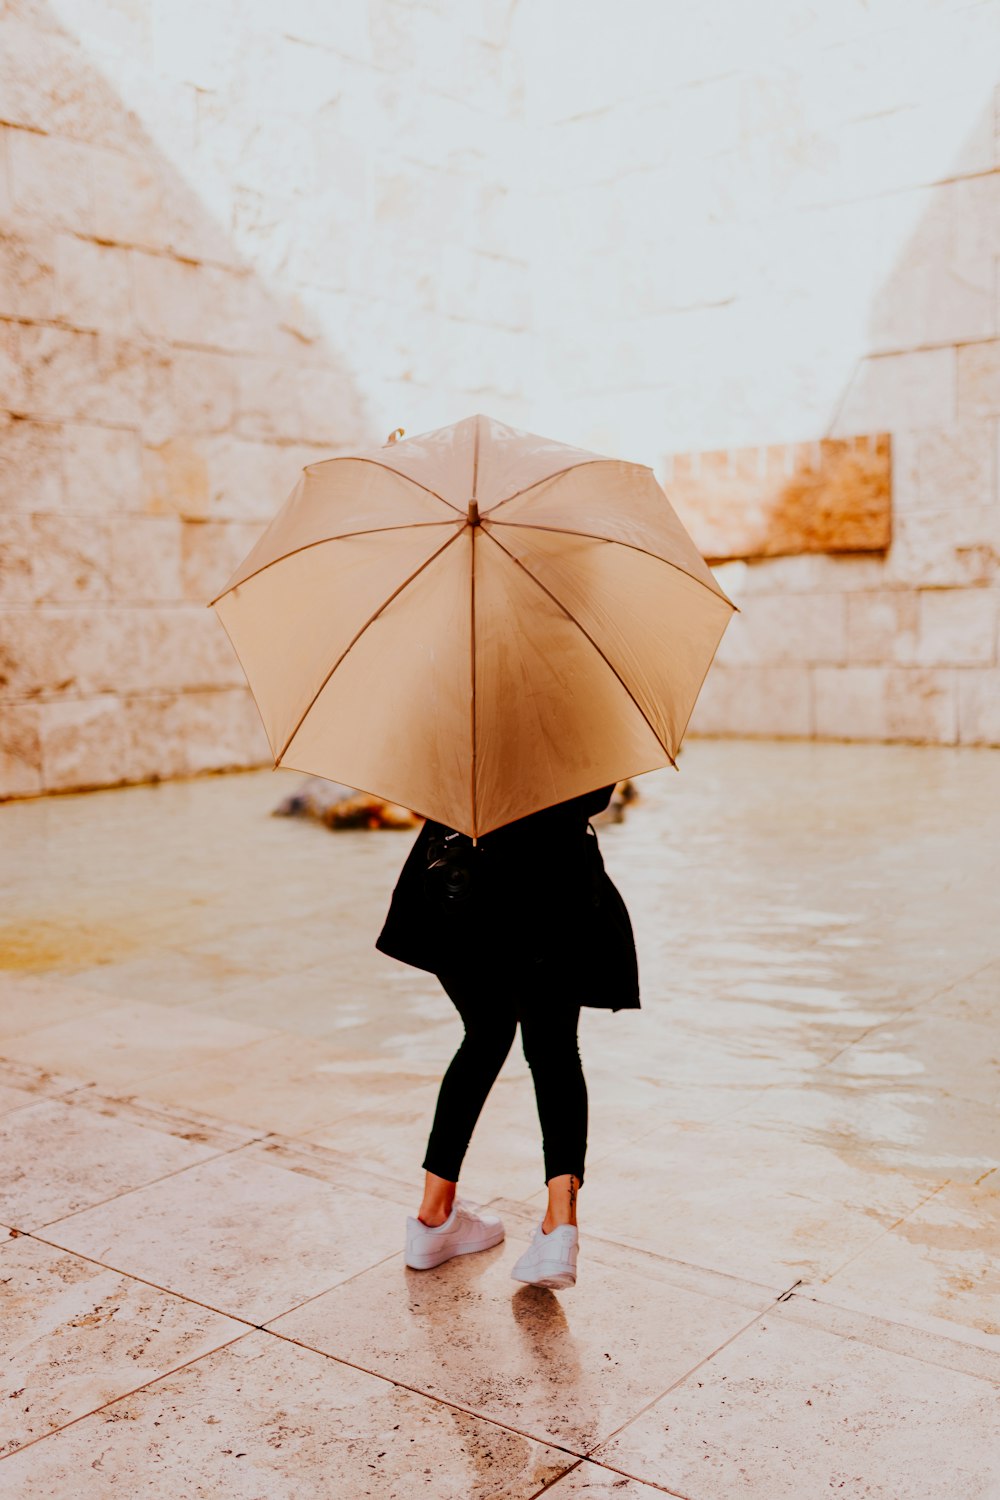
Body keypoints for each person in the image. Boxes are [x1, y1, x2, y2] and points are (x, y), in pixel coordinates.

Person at [375, 782, 640, 1290]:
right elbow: (593, 795)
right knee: (555, 1052)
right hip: (550, 884)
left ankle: (434, 1217)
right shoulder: (573, 706)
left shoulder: (458, 704)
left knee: (483, 1033)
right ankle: (559, 1226)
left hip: (458, 887)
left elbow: (426, 788)